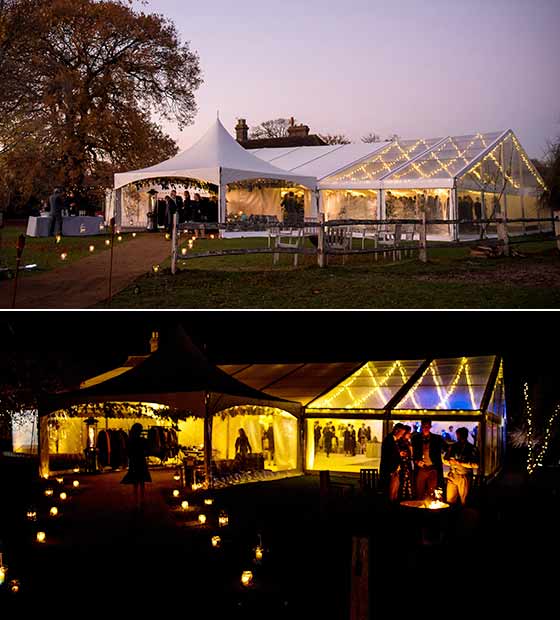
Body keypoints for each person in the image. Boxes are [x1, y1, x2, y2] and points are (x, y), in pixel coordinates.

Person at [443, 427, 479, 506]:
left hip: (464, 476)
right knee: (450, 500)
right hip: (452, 475)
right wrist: (450, 462)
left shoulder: (471, 448)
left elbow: (476, 464)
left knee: (465, 500)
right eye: (458, 435)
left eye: (460, 435)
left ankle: (465, 516)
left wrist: (461, 463)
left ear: (465, 436)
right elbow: (445, 459)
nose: (458, 437)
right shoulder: (453, 446)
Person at [411, 418, 445, 501]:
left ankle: (430, 508)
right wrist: (416, 461)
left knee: (432, 491)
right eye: (423, 426)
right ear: (421, 426)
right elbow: (413, 453)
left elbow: (446, 448)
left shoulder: (437, 438)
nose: (425, 428)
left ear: (430, 426)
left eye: (427, 426)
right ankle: (419, 506)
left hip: (432, 468)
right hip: (421, 469)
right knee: (419, 491)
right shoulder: (415, 438)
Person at [121, 423, 152, 511]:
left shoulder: (130, 440)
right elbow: (147, 449)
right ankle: (142, 499)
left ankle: (136, 501)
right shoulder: (142, 440)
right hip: (140, 460)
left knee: (135, 481)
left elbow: (127, 451)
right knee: (141, 480)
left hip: (134, 461)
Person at [380, 423, 406, 503]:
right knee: (391, 492)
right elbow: (388, 456)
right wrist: (392, 471)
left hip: (394, 470)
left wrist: (399, 454)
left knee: (394, 491)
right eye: (401, 433)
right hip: (391, 470)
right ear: (396, 430)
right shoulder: (389, 440)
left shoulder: (393, 440)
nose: (401, 436)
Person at [398, 425, 414, 501]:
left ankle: (408, 498)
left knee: (408, 482)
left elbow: (411, 454)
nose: (410, 434)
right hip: (403, 465)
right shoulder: (400, 443)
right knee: (403, 482)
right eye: (408, 433)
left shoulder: (407, 442)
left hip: (408, 464)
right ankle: (402, 498)